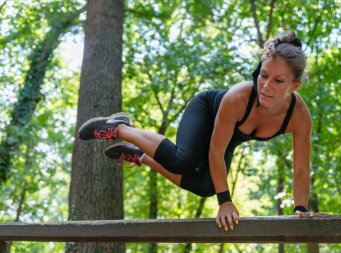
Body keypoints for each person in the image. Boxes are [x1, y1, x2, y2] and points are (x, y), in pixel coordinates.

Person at [78, 30, 316, 232]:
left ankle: (140, 155)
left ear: (294, 86)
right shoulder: (239, 97)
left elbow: (302, 168)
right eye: (263, 75)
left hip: (227, 137)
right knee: (182, 161)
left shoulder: (299, 116)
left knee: (206, 187)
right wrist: (225, 202)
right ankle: (120, 127)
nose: (266, 86)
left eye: (278, 81)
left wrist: (300, 210)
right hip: (206, 111)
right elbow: (215, 149)